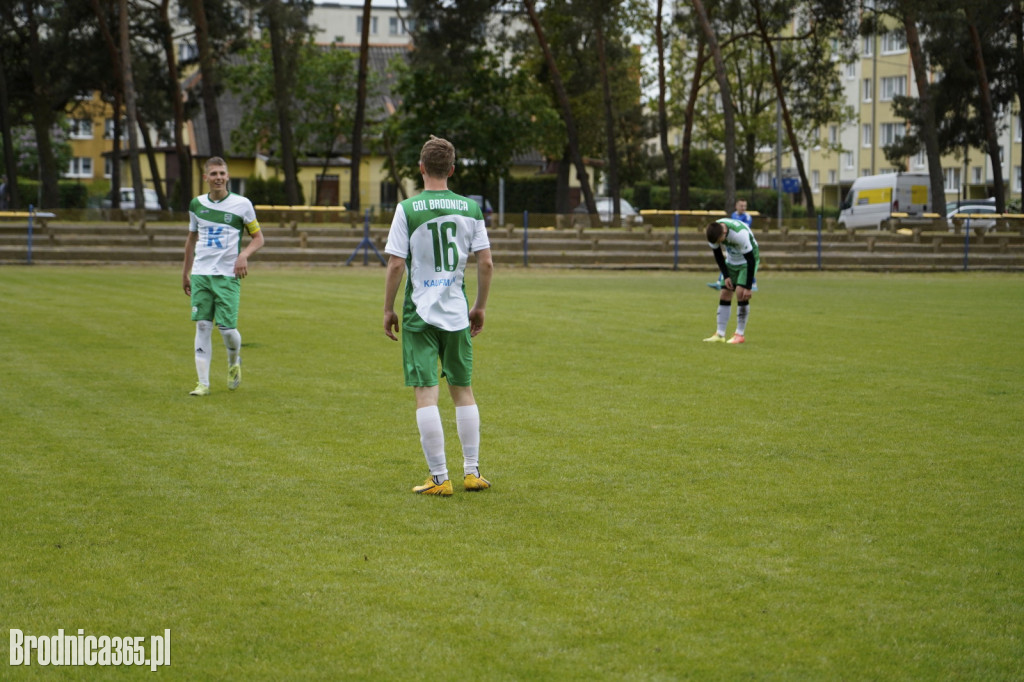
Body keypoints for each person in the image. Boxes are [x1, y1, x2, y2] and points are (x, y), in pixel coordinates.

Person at [383, 135, 494, 497]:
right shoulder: (471, 209)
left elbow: (397, 263)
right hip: (458, 313)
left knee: (425, 394)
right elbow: (487, 262)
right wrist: (479, 306)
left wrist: (387, 307)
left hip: (420, 314)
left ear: (420, 168)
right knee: (463, 390)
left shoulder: (408, 208)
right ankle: (473, 472)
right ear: (451, 168)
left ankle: (438, 477)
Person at [182, 157, 265, 396]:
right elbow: (191, 240)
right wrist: (185, 272)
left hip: (227, 276)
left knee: (227, 330)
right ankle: (203, 384)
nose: (218, 177)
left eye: (222, 173)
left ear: (227, 177)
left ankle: (233, 361)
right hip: (200, 274)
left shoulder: (242, 204)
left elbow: (258, 238)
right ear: (206, 177)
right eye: (213, 173)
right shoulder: (196, 205)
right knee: (203, 325)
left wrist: (244, 255)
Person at [703, 216, 758, 345]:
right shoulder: (713, 231)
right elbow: (718, 255)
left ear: (724, 233)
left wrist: (749, 287)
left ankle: (739, 334)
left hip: (747, 261)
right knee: (725, 293)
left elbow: (751, 260)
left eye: (720, 241)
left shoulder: (740, 234)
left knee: (740, 293)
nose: (719, 243)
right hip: (731, 261)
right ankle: (720, 334)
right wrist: (726, 275)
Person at [708, 199, 757, 291]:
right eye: (741, 206)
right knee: (729, 262)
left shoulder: (747, 217)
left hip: (742, 243)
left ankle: (752, 283)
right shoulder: (733, 215)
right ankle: (720, 281)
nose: (743, 208)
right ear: (736, 206)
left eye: (744, 206)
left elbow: (741, 230)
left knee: (746, 262)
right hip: (732, 245)